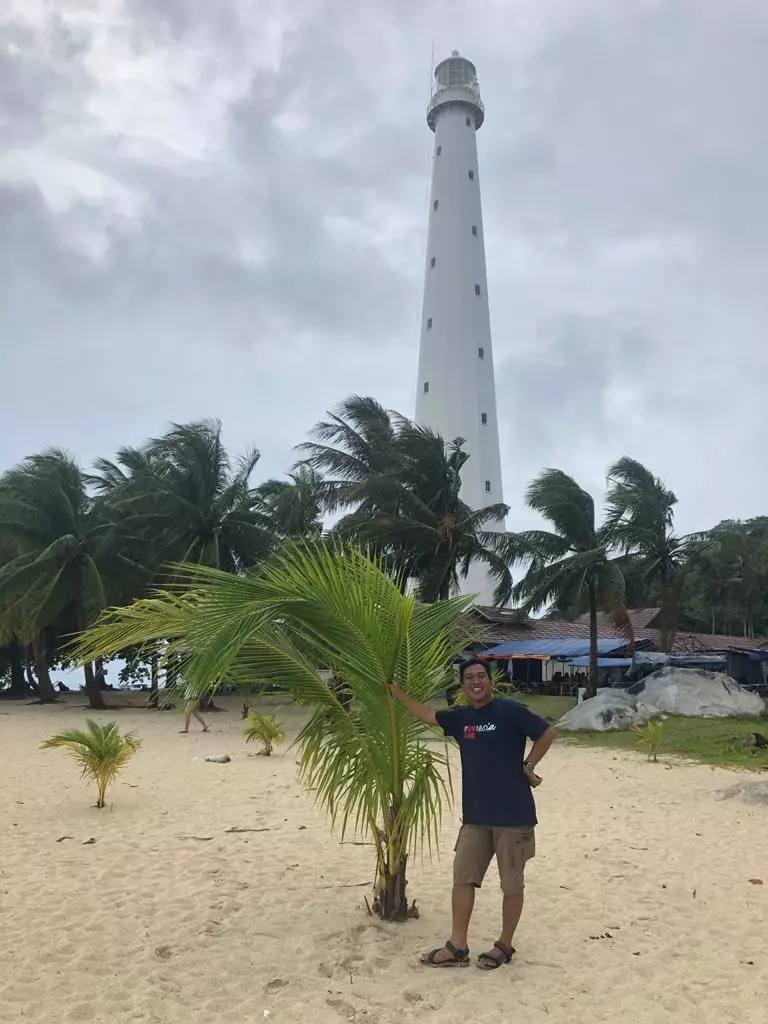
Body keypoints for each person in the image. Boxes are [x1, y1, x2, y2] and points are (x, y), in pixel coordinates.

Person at [389, 657, 555, 971]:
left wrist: (529, 766)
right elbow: (426, 714)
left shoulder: (510, 711)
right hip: (475, 818)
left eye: (481, 676)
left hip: (514, 816)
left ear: (490, 681)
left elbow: (547, 733)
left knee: (512, 885)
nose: (475, 682)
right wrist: (395, 692)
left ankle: (504, 945)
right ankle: (458, 946)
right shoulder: (461, 718)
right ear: (463, 686)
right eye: (469, 678)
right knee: (462, 878)